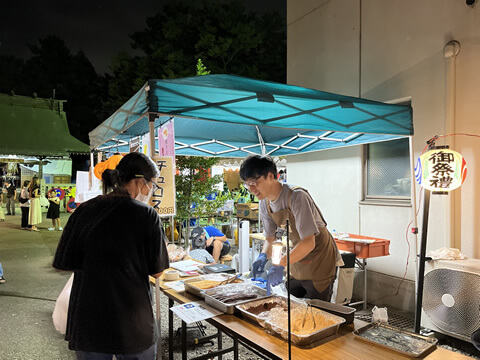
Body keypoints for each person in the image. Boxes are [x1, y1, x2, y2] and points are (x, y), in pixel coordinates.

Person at [53, 152, 169, 360]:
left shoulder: (84, 210)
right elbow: (157, 270)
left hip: (88, 318)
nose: (151, 190)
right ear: (141, 181)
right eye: (152, 184)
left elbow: (64, 262)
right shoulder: (146, 215)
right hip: (131, 320)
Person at [239, 155, 342, 301]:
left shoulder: (297, 196)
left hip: (320, 256)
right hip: (297, 255)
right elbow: (270, 239)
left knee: (317, 311)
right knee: (289, 304)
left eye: (254, 182)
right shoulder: (264, 203)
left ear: (270, 176)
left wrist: (281, 264)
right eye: (247, 184)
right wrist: (262, 257)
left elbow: (309, 242)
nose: (251, 189)